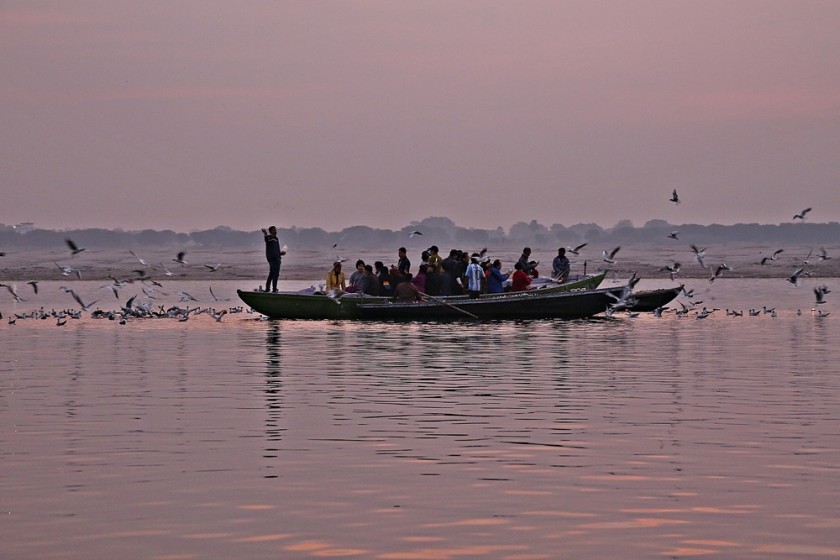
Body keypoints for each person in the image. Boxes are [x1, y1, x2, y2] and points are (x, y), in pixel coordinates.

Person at [261, 226, 286, 293]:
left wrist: (281, 253)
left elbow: (276, 250)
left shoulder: (276, 239)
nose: (275, 231)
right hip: (272, 259)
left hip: (277, 259)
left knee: (272, 274)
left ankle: (268, 289)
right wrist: (265, 233)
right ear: (270, 231)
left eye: (275, 230)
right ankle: (274, 290)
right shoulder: (269, 238)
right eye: (273, 230)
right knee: (275, 274)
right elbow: (266, 239)